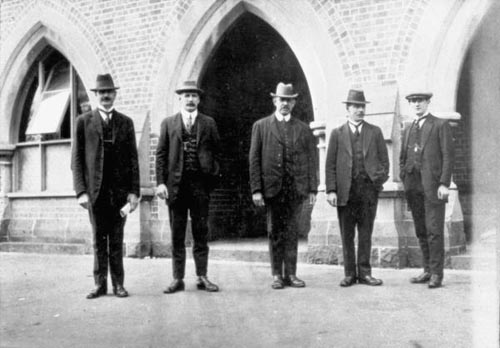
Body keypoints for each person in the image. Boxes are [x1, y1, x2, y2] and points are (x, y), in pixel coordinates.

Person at [72, 74, 140, 299]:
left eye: (110, 92)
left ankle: (118, 284)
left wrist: (133, 193)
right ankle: (99, 284)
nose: (106, 96)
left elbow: (133, 160)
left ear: (115, 94)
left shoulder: (126, 122)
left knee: (117, 241)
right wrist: (81, 192)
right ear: (96, 95)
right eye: (102, 92)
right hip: (95, 193)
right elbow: (77, 160)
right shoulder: (83, 122)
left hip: (119, 195)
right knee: (98, 240)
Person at [249, 82, 318, 290]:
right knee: (275, 231)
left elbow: (311, 160)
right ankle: (277, 274)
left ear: (294, 102)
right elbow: (254, 160)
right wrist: (256, 189)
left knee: (292, 232)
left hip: (295, 189)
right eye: (281, 100)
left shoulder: (303, 129)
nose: (285, 104)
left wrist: (312, 188)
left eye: (289, 100)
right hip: (272, 190)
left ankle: (292, 274)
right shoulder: (261, 127)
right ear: (274, 101)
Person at [156, 81, 221, 294]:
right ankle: (178, 278)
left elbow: (217, 152)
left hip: (200, 187)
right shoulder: (168, 123)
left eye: (194, 95)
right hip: (176, 187)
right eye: (186, 95)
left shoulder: (208, 123)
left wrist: (211, 178)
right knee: (177, 235)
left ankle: (202, 276)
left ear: (199, 99)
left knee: (201, 233)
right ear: (180, 99)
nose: (190, 99)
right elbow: (161, 155)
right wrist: (160, 183)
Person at [325, 89, 389, 287]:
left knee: (365, 233)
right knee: (347, 234)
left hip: (368, 192)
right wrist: (331, 190)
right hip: (346, 192)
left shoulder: (375, 131)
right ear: (347, 109)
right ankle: (349, 274)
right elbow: (330, 165)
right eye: (356, 106)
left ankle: (365, 273)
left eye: (362, 106)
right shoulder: (337, 133)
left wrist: (375, 183)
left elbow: (384, 163)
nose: (360, 110)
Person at [399, 91, 454, 289]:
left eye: (420, 101)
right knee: (421, 229)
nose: (416, 104)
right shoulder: (407, 128)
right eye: (412, 101)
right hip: (413, 187)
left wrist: (444, 183)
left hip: (433, 187)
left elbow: (448, 156)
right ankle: (427, 269)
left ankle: (437, 274)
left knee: (434, 231)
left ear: (428, 102)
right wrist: (404, 177)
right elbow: (403, 157)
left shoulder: (440, 125)